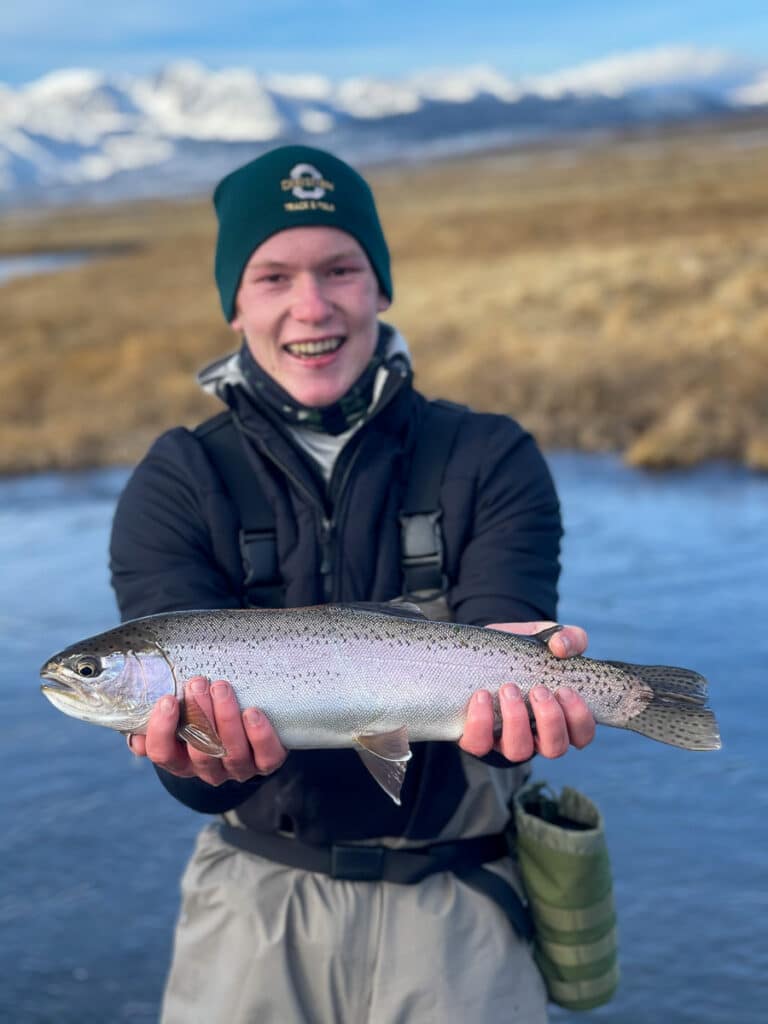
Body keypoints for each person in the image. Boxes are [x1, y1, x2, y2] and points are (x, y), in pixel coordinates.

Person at [110, 145, 596, 1024]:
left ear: (380, 288)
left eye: (340, 269)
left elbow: (505, 659)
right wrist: (197, 766)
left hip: (464, 913)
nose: (311, 305)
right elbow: (186, 773)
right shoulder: (179, 480)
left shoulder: (489, 456)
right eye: (273, 276)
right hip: (252, 912)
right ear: (234, 304)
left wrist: (522, 713)